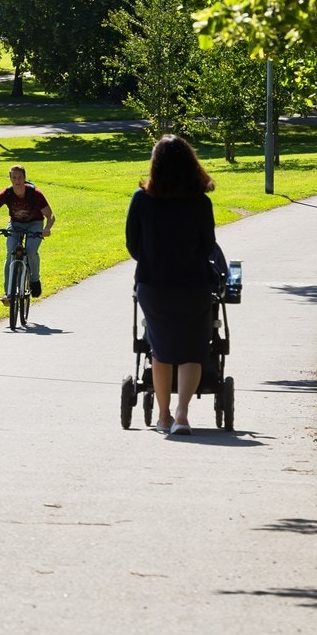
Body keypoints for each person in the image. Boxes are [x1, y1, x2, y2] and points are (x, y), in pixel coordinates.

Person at [125, 135, 217, 436]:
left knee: (160, 350)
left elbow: (133, 245)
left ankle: (162, 415)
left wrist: (153, 259)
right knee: (192, 350)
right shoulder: (200, 203)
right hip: (193, 285)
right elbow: (207, 247)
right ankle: (182, 414)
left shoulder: (141, 200)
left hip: (155, 284)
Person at [0, 165, 54, 303]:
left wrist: (47, 228)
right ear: (10, 179)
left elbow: (50, 215)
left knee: (31, 250)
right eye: (14, 177)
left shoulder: (35, 194)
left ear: (24, 178)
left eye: (20, 177)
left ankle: (34, 280)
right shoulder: (7, 193)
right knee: (11, 253)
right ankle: (9, 293)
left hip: (35, 224)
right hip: (15, 225)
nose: (17, 180)